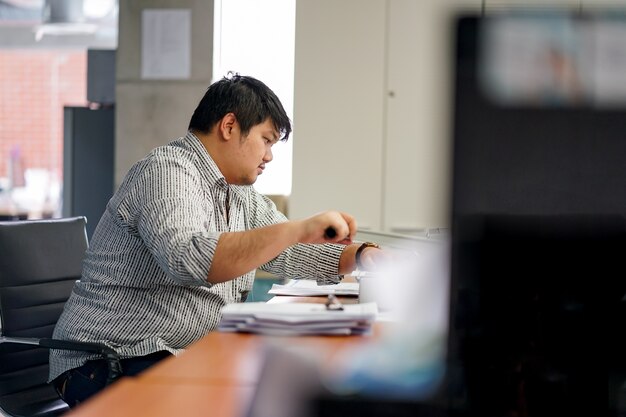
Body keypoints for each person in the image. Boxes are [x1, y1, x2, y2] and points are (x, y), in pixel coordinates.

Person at [49, 73, 384, 407]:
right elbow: (190, 259)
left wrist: (362, 255)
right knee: (246, 398)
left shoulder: (237, 192)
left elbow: (290, 252)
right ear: (229, 126)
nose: (269, 156)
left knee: (280, 384)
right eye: (266, 140)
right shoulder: (166, 172)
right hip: (108, 360)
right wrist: (296, 228)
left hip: (171, 351)